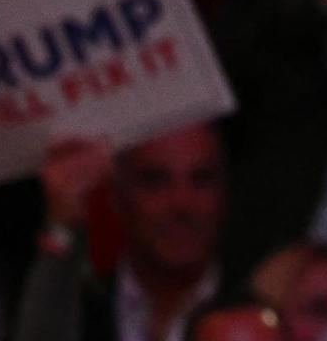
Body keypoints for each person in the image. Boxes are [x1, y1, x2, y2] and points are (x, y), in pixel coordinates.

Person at [13, 122, 227, 341]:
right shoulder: (82, 310)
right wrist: (62, 226)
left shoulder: (255, 306)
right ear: (116, 197)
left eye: (202, 179)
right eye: (155, 181)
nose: (181, 203)